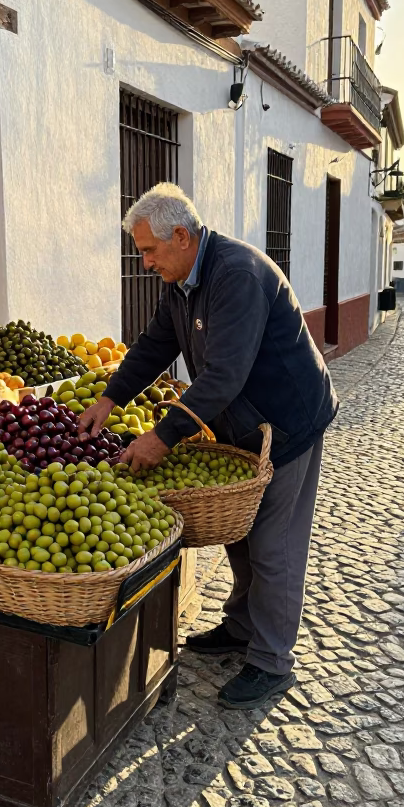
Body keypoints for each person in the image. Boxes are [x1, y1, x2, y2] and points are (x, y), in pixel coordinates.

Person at [78, 183, 338, 709]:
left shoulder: (235, 274)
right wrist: (109, 399)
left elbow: (225, 372)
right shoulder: (181, 280)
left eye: (150, 250)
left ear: (181, 235)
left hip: (287, 422)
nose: (146, 261)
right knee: (239, 535)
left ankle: (271, 662)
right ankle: (240, 627)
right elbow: (156, 343)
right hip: (242, 425)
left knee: (275, 546)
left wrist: (163, 436)